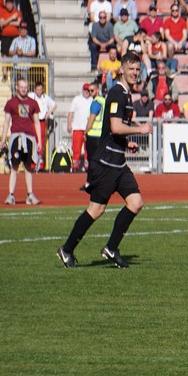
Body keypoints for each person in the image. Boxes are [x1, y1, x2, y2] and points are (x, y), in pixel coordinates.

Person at [57, 52, 152, 269]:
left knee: (136, 202)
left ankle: (111, 248)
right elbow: (116, 126)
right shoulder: (118, 94)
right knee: (96, 210)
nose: (135, 73)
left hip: (117, 160)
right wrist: (140, 130)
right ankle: (67, 249)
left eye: (138, 69)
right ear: (121, 69)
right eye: (131, 69)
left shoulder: (126, 94)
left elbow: (113, 130)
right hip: (107, 163)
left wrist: (126, 143)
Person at [0, 77, 42, 206]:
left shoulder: (33, 103)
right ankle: (11, 195)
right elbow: (6, 122)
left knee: (29, 167)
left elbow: (37, 122)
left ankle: (30, 194)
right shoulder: (11, 103)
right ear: (17, 87)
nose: (23, 89)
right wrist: (2, 140)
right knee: (14, 166)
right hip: (16, 137)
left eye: (25, 87)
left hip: (29, 137)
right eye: (21, 87)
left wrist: (39, 141)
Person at [68, 83, 93, 171]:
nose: (86, 92)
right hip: (77, 128)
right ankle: (75, 166)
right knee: (76, 148)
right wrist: (69, 124)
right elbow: (71, 112)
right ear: (82, 90)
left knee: (88, 149)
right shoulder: (76, 99)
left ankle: (88, 166)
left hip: (88, 129)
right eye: (85, 90)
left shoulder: (92, 100)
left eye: (88, 90)